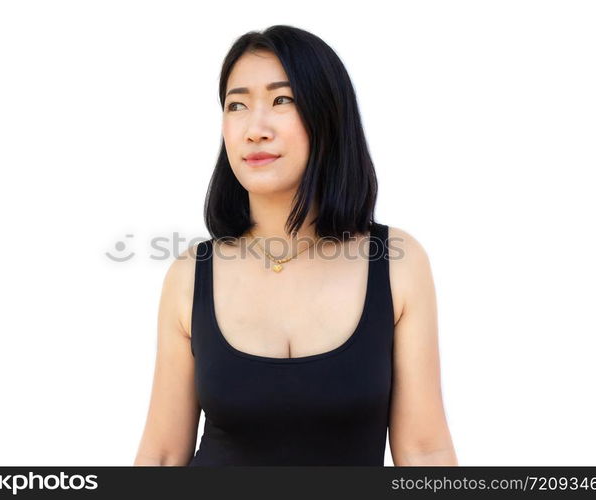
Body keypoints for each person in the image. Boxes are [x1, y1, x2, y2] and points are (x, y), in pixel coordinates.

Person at [133, 25, 457, 466]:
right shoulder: (190, 274)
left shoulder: (397, 262)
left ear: (327, 115)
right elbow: (164, 457)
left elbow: (424, 451)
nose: (255, 128)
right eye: (237, 104)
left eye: (282, 99)